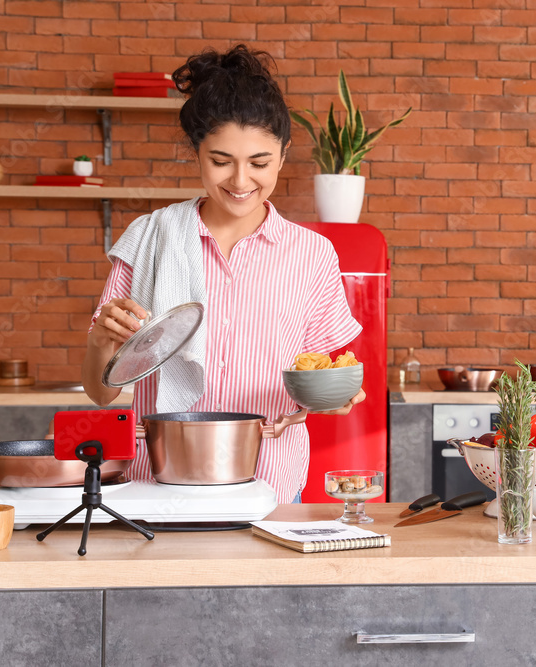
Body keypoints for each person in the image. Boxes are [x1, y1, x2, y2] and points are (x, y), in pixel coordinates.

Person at [81, 44, 366, 504]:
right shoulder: (150, 238)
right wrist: (100, 342)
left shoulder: (312, 254)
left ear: (284, 153)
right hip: (156, 480)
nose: (239, 181)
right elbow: (100, 394)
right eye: (220, 161)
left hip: (268, 480)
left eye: (259, 163)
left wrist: (335, 398)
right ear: (197, 152)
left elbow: (320, 384)